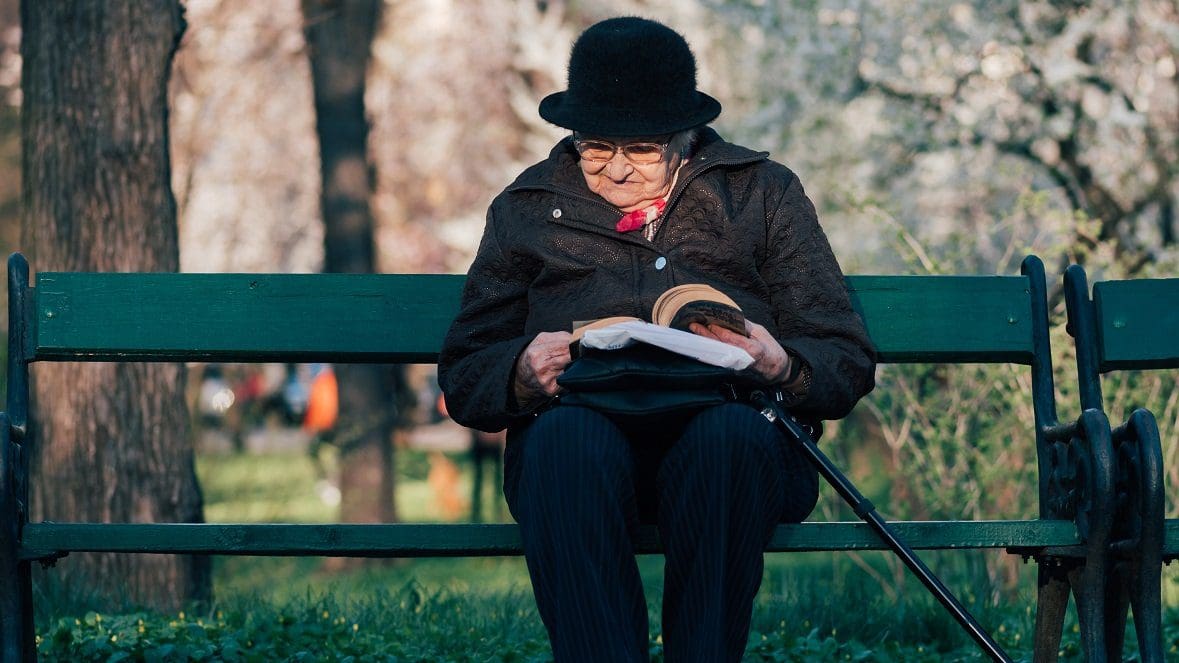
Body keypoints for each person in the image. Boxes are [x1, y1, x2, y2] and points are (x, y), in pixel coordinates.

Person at [437, 16, 876, 662]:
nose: (614, 170)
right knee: (562, 444)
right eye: (595, 147)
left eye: (639, 150)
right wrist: (521, 371)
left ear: (685, 136)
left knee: (726, 441)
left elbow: (843, 355)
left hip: (729, 437)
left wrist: (781, 364)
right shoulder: (525, 208)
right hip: (582, 438)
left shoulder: (759, 193)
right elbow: (466, 370)